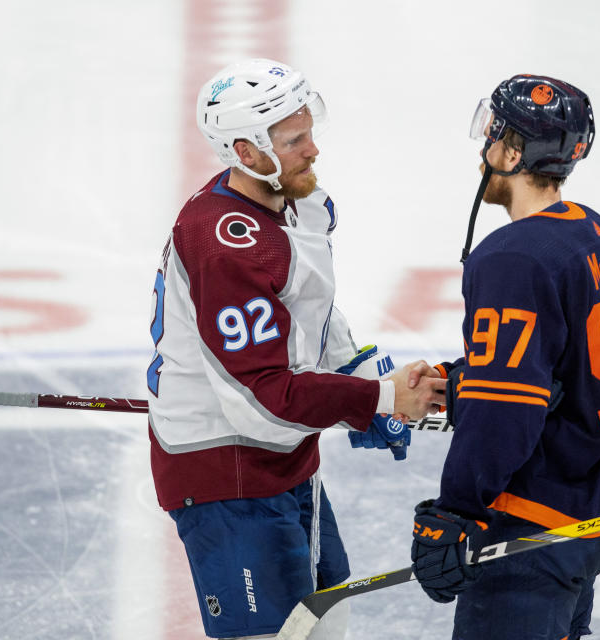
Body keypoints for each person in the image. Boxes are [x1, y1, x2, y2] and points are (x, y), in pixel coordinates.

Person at [146, 58, 445, 639]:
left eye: (310, 131)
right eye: (294, 140)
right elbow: (262, 402)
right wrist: (377, 399)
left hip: (283, 458)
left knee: (325, 623)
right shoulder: (225, 245)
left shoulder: (298, 205)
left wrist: (354, 374)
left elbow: (310, 310)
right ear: (247, 152)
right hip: (227, 470)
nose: (313, 150)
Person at [409, 74, 600, 640]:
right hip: (596, 503)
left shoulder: (511, 257)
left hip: (532, 522)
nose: (483, 149)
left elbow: (507, 407)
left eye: (492, 136)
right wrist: (464, 378)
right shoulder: (593, 230)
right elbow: (560, 366)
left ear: (514, 152)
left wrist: (457, 509)